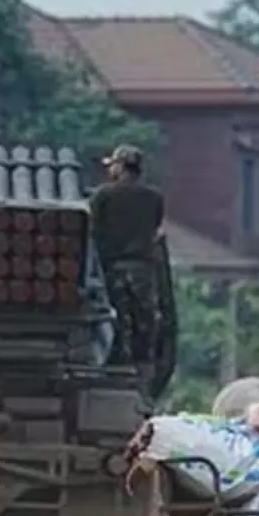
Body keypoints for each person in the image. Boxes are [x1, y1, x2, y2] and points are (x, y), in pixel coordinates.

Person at [87, 144, 165, 371]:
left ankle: (116, 359)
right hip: (143, 267)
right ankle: (142, 361)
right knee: (144, 317)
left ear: (120, 167)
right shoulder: (153, 198)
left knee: (115, 316)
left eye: (113, 165)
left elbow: (92, 229)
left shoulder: (103, 196)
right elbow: (155, 227)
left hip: (113, 265)